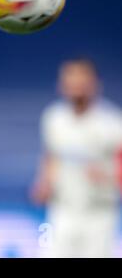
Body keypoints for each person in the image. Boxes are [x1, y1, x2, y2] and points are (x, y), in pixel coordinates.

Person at [31, 59, 122, 257]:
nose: (75, 85)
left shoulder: (113, 124)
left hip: (99, 214)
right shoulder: (54, 118)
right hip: (61, 210)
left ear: (95, 84)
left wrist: (107, 176)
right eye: (70, 79)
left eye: (81, 79)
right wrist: (43, 183)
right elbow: (50, 155)